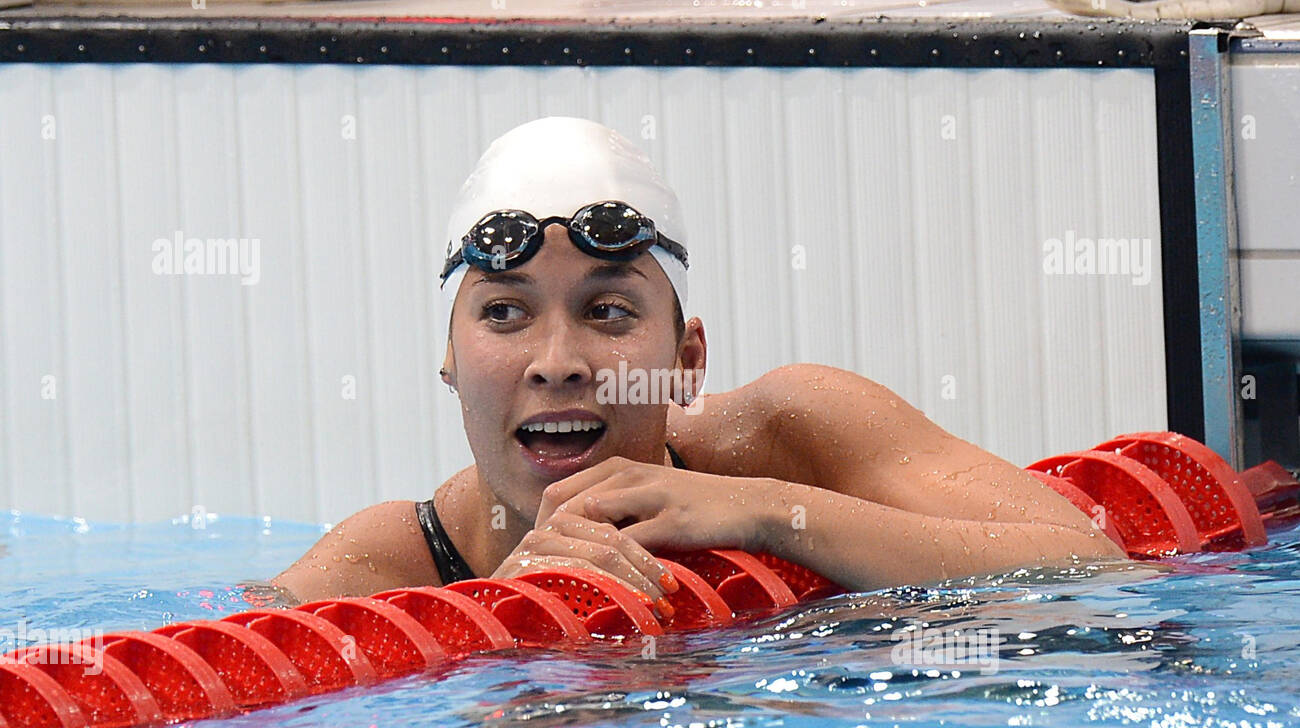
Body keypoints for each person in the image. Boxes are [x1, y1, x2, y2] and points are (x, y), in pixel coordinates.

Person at [270, 116, 1124, 613]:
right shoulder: (381, 570)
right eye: (504, 312)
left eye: (607, 311)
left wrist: (759, 513)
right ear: (449, 360)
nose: (559, 362)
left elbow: (1087, 563)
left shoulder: (794, 431)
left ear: (686, 362)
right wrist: (502, 617)